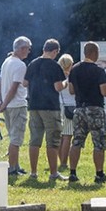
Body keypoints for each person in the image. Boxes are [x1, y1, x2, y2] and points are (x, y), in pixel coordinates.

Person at [67, 41, 106, 184]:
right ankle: (99, 175)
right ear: (94, 53)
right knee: (98, 143)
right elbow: (104, 92)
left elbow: (71, 90)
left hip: (79, 109)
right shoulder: (99, 71)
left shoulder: (74, 69)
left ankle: (72, 173)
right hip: (95, 108)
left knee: (77, 141)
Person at [24, 39, 66, 181]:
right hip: (50, 106)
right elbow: (58, 87)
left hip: (34, 106)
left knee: (34, 140)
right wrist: (66, 82)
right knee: (52, 140)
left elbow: (25, 83)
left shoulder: (32, 63)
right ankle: (53, 173)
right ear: (54, 51)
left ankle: (33, 172)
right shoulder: (55, 66)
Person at [0, 36, 31, 176]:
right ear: (22, 49)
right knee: (16, 139)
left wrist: (0, 101)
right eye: (28, 48)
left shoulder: (7, 61)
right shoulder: (20, 65)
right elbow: (14, 87)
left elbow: (1, 83)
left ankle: (16, 165)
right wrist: (3, 104)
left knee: (13, 136)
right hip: (16, 105)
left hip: (8, 104)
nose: (28, 51)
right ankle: (12, 169)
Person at [57, 54, 75, 171]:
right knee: (67, 136)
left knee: (59, 137)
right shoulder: (72, 77)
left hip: (58, 106)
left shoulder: (56, 76)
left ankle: (60, 159)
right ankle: (64, 162)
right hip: (70, 106)